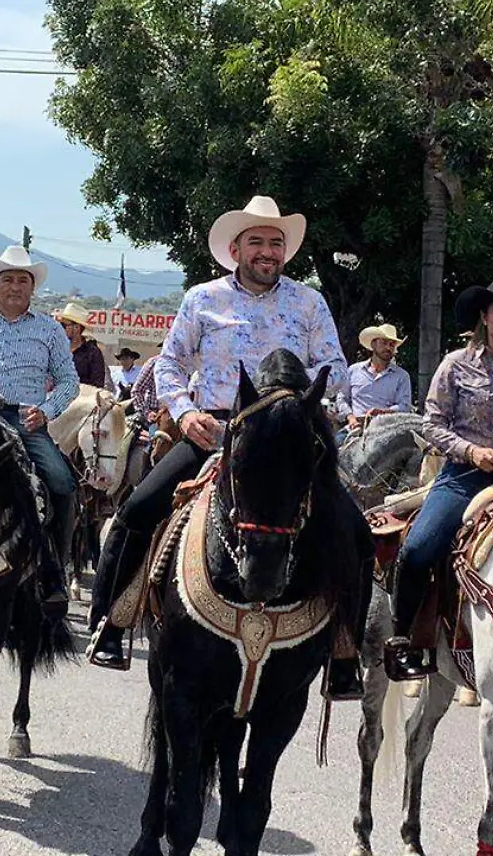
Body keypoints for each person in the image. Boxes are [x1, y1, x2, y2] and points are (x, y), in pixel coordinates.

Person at [84, 195, 369, 699]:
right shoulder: (202, 299)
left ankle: (345, 651)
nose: (267, 250)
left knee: (354, 529)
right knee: (137, 507)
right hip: (216, 432)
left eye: (275, 242)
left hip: (289, 443)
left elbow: (337, 367)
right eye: (256, 241)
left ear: (286, 251)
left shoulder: (309, 302)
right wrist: (185, 411)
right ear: (235, 249)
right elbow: (169, 364)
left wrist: (310, 398)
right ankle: (112, 619)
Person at [383, 277, 493, 680]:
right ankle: (403, 637)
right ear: (485, 316)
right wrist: (471, 451)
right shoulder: (455, 364)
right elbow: (432, 424)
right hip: (463, 477)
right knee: (419, 548)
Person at [0, 247, 81, 606]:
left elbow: (69, 381)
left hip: (24, 417)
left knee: (62, 482)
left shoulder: (50, 329)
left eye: (22, 280)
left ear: (32, 287)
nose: (14, 286)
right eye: (7, 279)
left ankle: (55, 566)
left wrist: (46, 410)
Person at [338, 322, 414, 432]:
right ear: (373, 345)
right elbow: (342, 398)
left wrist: (383, 412)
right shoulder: (353, 371)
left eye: (392, 344)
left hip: (388, 429)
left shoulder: (402, 376)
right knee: (330, 446)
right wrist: (351, 418)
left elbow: (405, 406)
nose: (388, 347)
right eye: (384, 343)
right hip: (355, 427)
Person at [56, 302, 110, 388]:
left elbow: (97, 384)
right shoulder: (56, 349)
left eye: (63, 325)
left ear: (76, 327)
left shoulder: (92, 353)